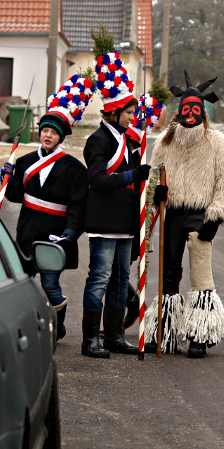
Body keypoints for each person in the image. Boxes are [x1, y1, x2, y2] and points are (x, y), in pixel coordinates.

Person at [144, 71, 224, 358]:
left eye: (196, 110)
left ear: (204, 113)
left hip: (201, 216)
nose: (191, 115)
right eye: (186, 110)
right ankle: (166, 333)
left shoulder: (217, 142)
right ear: (178, 112)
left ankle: (200, 332)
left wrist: (216, 218)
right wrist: (156, 195)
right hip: (173, 213)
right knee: (168, 273)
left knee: (200, 275)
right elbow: (154, 178)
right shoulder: (164, 142)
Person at [3, 74, 94, 340]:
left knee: (50, 284)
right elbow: (16, 197)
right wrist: (7, 178)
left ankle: (57, 325)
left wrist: (71, 233)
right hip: (28, 231)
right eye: (45, 130)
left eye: (53, 132)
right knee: (23, 283)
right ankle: (25, 327)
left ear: (61, 137)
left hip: (54, 234)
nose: (48, 135)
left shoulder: (75, 169)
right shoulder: (25, 161)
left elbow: (78, 206)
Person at [81, 29, 150, 358]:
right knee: (100, 278)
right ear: (114, 113)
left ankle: (113, 336)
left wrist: (147, 184)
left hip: (125, 223)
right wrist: (130, 176)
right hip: (103, 222)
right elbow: (97, 180)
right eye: (128, 113)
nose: (132, 117)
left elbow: (134, 181)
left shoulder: (130, 140)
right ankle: (90, 339)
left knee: (122, 280)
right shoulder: (99, 141)